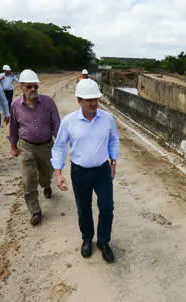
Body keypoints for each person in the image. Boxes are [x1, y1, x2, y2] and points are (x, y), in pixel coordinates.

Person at [52, 79, 120, 263]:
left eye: (95, 100)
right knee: (83, 209)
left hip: (102, 171)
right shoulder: (69, 121)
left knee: (107, 206)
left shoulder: (107, 119)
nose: (93, 104)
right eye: (88, 100)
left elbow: (114, 139)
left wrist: (113, 161)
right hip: (80, 172)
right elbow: (59, 147)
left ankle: (104, 241)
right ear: (79, 100)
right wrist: (58, 173)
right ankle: (87, 238)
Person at [8, 69, 61, 226]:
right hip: (26, 147)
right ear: (21, 87)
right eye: (29, 86)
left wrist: (60, 144)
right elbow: (13, 127)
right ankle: (35, 211)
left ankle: (46, 185)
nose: (33, 90)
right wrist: (13, 146)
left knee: (46, 174)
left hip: (46, 146)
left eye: (35, 87)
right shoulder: (15, 105)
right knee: (28, 179)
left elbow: (56, 124)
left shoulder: (48, 102)